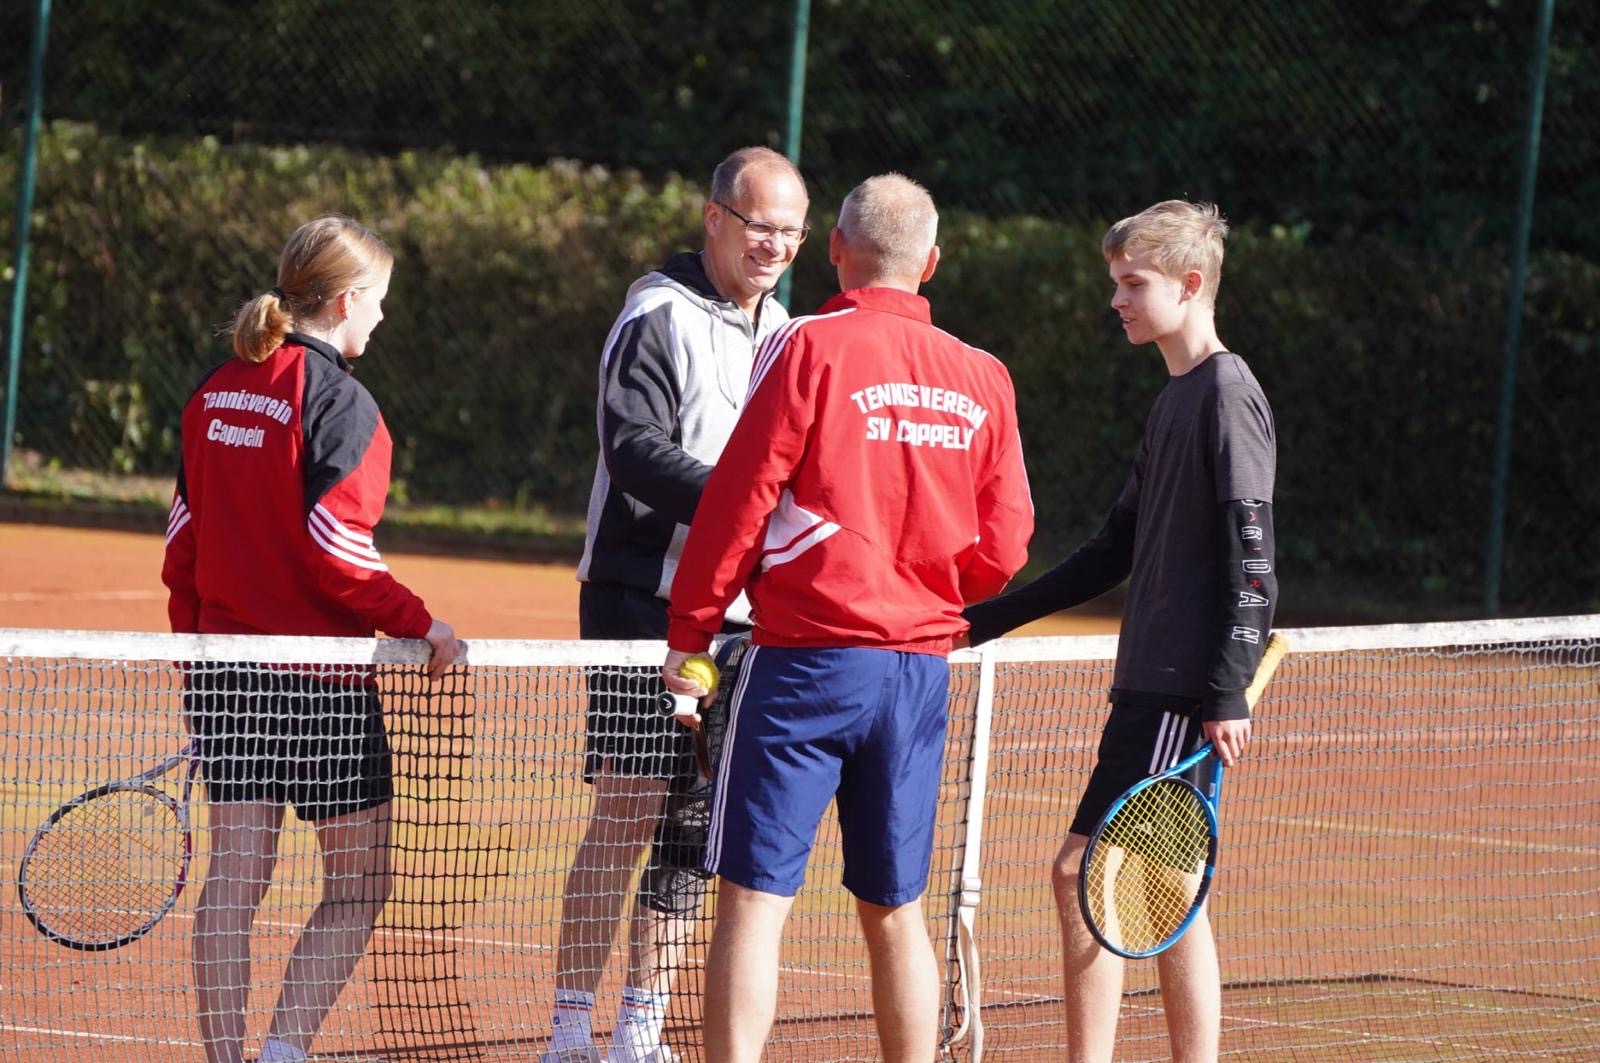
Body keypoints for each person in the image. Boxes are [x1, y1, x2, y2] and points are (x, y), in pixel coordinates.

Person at [662, 173, 1034, 1063]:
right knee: (896, 907)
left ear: (833, 247)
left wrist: (691, 634)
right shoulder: (985, 375)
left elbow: (738, 504)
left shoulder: (806, 347)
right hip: (916, 672)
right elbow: (1008, 543)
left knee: (754, 900)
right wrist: (933, 594)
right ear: (932, 262)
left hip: (805, 663)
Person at [961, 199, 1278, 1063]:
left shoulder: (1226, 396)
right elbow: (1113, 549)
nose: (1118, 301)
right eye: (1115, 284)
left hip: (1183, 690)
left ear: (1191, 283)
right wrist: (985, 620)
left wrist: (1224, 688)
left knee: (1092, 876)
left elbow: (1254, 563)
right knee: (1157, 892)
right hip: (1149, 682)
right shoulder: (1176, 399)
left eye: (1133, 284)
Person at [161, 215, 463, 1063]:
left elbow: (181, 550)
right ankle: (285, 1053)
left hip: (228, 676)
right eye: (379, 303)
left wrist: (197, 665)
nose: (381, 320)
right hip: (320, 685)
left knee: (235, 880)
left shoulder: (214, 390)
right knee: (360, 883)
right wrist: (422, 621)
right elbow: (338, 554)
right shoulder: (344, 404)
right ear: (346, 299)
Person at [546, 146, 811, 1063]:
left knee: (691, 826)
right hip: (639, 606)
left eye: (790, 231)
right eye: (758, 227)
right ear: (714, 219)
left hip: (733, 622)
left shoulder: (790, 331)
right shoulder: (655, 312)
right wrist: (743, 496)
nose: (774, 246)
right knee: (626, 808)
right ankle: (570, 1031)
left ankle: (638, 1033)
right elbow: (635, 450)